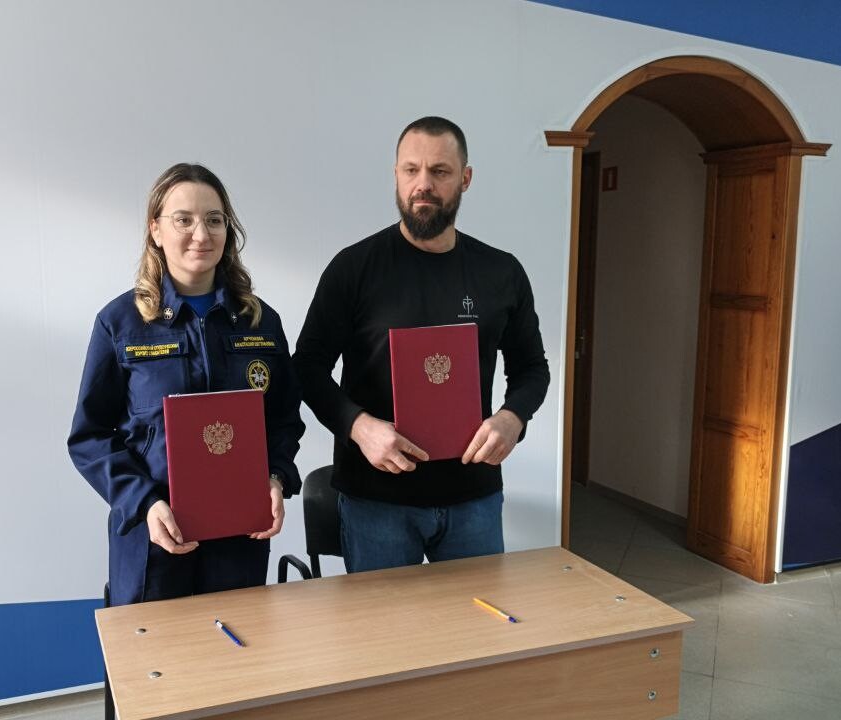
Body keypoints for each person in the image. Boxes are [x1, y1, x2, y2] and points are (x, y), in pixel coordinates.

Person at [292, 116, 550, 573]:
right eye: (411, 170)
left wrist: (513, 418)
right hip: (376, 499)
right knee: (388, 623)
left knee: (478, 617)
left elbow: (532, 367)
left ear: (465, 178)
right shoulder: (353, 269)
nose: (423, 184)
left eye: (440, 171)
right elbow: (307, 367)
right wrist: (358, 427)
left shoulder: (501, 272)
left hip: (474, 497)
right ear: (396, 175)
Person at [68, 163, 304, 607]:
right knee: (154, 649)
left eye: (214, 219)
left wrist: (276, 478)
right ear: (155, 229)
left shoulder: (260, 321)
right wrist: (144, 502)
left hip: (240, 535)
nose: (201, 234)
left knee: (241, 646)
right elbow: (89, 436)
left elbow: (284, 420)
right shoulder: (120, 323)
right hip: (154, 535)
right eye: (184, 220)